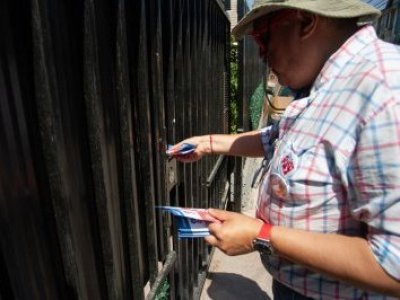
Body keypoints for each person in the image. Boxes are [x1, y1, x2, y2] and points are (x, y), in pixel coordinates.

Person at [168, 0, 400, 298]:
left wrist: (262, 236)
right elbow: (278, 138)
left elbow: (393, 265)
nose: (262, 54)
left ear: (304, 22)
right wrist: (210, 143)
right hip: (296, 284)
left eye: (264, 37)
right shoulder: (327, 84)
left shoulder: (385, 91)